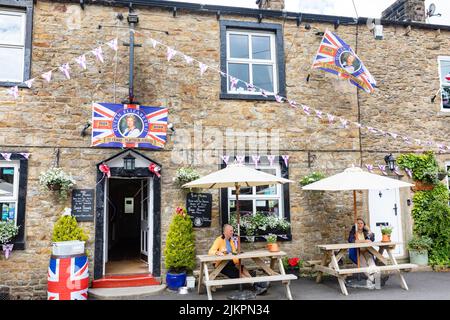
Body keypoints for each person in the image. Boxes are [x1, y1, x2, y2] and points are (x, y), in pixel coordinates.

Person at [208, 224, 268, 294]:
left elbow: (234, 252)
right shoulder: (219, 240)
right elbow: (210, 251)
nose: (232, 232)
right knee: (239, 273)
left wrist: (237, 260)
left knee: (242, 268)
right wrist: (218, 253)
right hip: (222, 265)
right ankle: (256, 285)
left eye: (232, 231)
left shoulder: (231, 241)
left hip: (231, 263)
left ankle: (256, 284)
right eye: (231, 231)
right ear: (225, 231)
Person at [348, 217, 377, 289]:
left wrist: (369, 230)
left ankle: (375, 276)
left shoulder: (365, 232)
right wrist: (364, 241)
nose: (360, 224)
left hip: (366, 251)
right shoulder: (353, 232)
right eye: (358, 223)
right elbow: (351, 240)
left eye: (361, 223)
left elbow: (372, 239)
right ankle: (374, 279)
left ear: (364, 225)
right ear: (356, 225)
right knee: (364, 263)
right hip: (357, 252)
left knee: (370, 260)